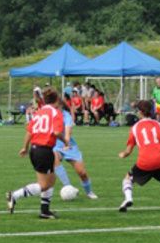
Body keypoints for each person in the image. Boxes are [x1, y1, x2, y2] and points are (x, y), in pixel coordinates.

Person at [6, 86, 67, 220]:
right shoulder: (56, 113)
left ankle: (45, 210)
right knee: (44, 185)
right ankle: (14, 196)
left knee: (51, 179)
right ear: (57, 99)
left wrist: (25, 147)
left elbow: (29, 131)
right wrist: (66, 141)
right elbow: (57, 132)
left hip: (35, 149)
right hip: (44, 150)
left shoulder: (39, 112)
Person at [53, 99, 98, 199]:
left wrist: (66, 142)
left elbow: (68, 131)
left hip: (69, 145)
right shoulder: (50, 115)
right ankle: (68, 186)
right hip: (54, 145)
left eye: (56, 107)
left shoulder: (66, 116)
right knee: (53, 157)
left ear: (61, 106)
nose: (55, 109)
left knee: (82, 173)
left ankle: (89, 192)